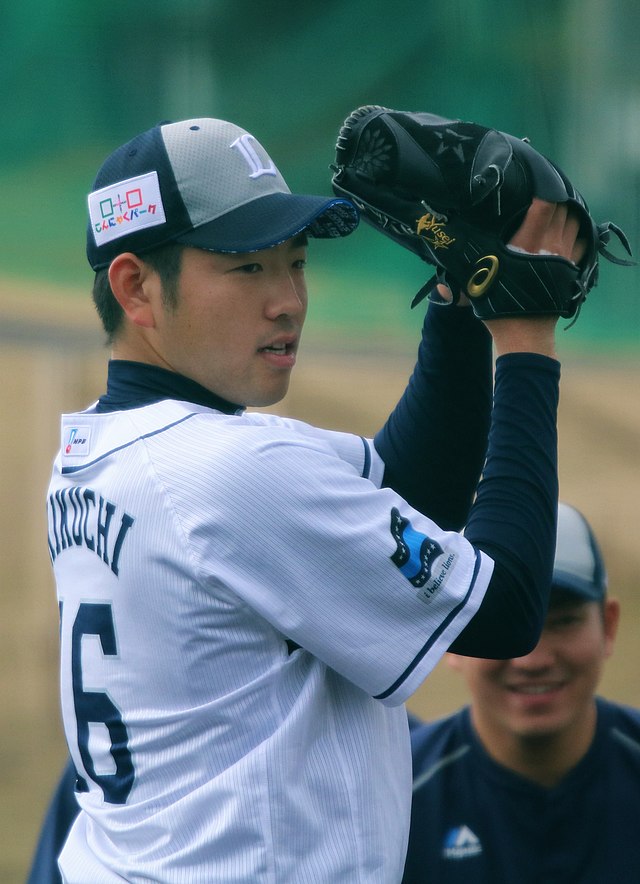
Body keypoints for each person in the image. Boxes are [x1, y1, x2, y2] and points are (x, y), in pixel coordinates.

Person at [41, 114, 583, 881]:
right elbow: (503, 611)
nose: (289, 300)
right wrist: (527, 346)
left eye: (293, 262)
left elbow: (408, 491)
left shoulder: (98, 452)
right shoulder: (229, 470)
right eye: (247, 269)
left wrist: (461, 298)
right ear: (135, 287)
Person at [404, 501, 640, 884]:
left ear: (608, 628)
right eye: (503, 626)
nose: (532, 660)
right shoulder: (394, 802)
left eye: (562, 622)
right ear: (450, 639)